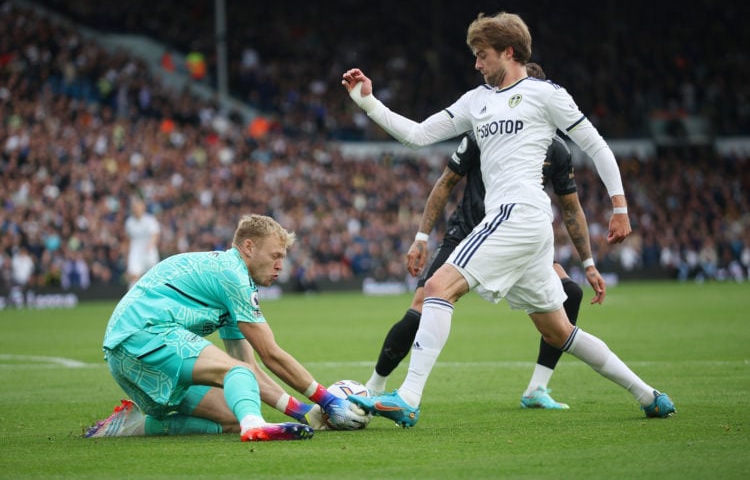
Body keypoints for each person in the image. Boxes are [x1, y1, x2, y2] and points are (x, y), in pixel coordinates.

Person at [341, 11, 675, 427]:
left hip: (519, 214)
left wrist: (620, 206)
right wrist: (367, 101)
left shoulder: (546, 94)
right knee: (558, 332)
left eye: (483, 56)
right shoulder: (475, 101)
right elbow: (418, 135)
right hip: (522, 227)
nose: (477, 65)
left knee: (437, 287)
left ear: (509, 52)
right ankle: (648, 395)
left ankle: (408, 397)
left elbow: (597, 146)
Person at [365, 64, 605, 409]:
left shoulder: (557, 149)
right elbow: (445, 181)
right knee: (421, 305)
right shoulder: (486, 130)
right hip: (468, 232)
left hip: (512, 235)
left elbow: (571, 208)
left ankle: (537, 388)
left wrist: (589, 262)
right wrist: (421, 236)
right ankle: (375, 386)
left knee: (570, 292)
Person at [85, 213, 369, 441]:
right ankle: (255, 427)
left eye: (283, 257)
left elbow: (251, 368)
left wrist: (305, 413)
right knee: (237, 376)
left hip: (126, 351)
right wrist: (327, 400)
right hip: (145, 332)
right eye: (275, 256)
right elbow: (270, 354)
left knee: (236, 409)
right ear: (248, 247)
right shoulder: (234, 275)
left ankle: (134, 426)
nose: (281, 265)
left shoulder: (229, 281)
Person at [124, 197, 161, 288]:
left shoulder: (150, 220)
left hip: (149, 251)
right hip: (135, 252)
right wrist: (127, 254)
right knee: (134, 276)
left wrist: (150, 246)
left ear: (143, 207)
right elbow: (127, 239)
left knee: (153, 277)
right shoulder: (129, 222)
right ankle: (132, 300)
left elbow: (155, 235)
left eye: (138, 206)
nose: (136, 209)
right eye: (134, 207)